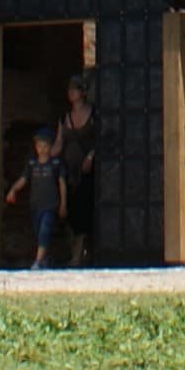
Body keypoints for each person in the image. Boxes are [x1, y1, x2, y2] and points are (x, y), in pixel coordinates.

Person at [52, 73, 101, 267]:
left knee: (84, 211)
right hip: (69, 171)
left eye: (76, 89)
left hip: (87, 171)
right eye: (70, 90)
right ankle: (77, 254)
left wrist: (91, 156)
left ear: (83, 92)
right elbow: (58, 143)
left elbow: (100, 138)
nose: (72, 93)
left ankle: (80, 255)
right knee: (70, 212)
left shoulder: (93, 114)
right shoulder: (65, 117)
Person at [5, 120, 64, 269]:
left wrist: (63, 204)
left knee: (45, 229)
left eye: (45, 146)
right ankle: (46, 259)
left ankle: (37, 262)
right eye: (39, 146)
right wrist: (13, 189)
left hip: (50, 204)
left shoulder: (55, 164)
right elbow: (23, 179)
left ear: (51, 147)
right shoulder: (32, 164)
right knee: (40, 233)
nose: (42, 149)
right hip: (36, 204)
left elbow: (62, 184)